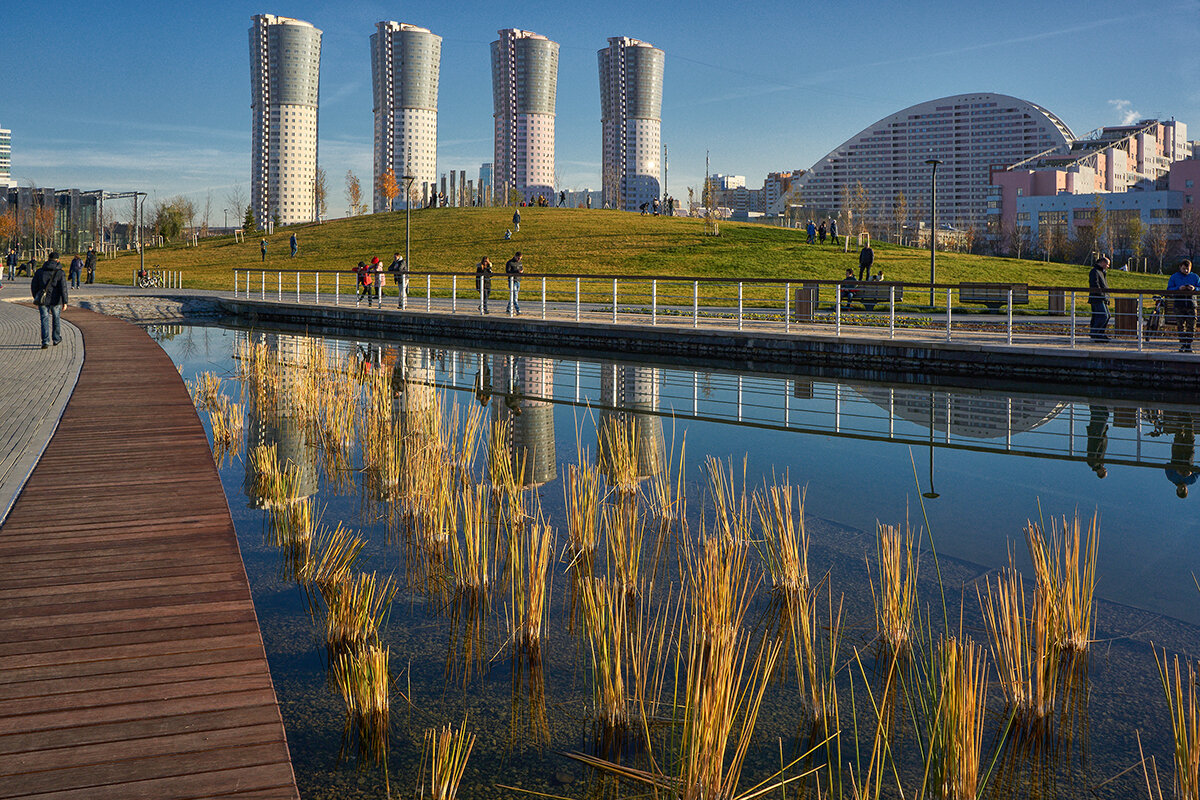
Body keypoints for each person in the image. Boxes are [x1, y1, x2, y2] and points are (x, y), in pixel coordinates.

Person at [31, 252, 68, 349]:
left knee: (44, 319)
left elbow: (34, 285)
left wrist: (36, 296)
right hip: (56, 300)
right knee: (56, 319)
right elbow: (63, 288)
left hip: (43, 300)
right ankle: (56, 339)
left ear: (48, 259)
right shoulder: (60, 272)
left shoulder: (40, 271)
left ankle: (45, 341)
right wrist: (65, 302)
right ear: (58, 260)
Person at [1167, 259, 1199, 352]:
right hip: (1179, 304)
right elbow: (1169, 289)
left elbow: (1199, 287)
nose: (1186, 271)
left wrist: (1194, 289)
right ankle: (1182, 344)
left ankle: (1189, 344)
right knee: (1180, 325)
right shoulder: (1174, 277)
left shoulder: (1195, 277)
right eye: (1184, 269)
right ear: (1180, 267)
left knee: (1191, 325)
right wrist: (1178, 289)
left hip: (1191, 304)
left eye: (1187, 269)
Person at [1164, 410, 1197, 498]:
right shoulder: (1191, 480)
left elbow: (1167, 466)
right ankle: (1188, 414)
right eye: (1184, 490)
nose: (1181, 488)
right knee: (1190, 433)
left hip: (1177, 453)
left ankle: (1181, 414)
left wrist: (1176, 470)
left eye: (1180, 490)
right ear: (1186, 489)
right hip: (1188, 453)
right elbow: (1198, 470)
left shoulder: (1171, 478)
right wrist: (1190, 472)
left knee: (1178, 433)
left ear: (1177, 489)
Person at [1088, 255, 1111, 341]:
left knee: (1107, 316)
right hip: (1097, 298)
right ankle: (1095, 333)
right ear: (1102, 263)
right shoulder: (1095, 271)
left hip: (1102, 298)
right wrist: (1102, 295)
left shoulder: (1102, 272)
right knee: (1103, 316)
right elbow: (1095, 284)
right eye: (1107, 264)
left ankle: (1100, 333)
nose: (1108, 266)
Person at [1085, 404, 1109, 479]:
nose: (1105, 469)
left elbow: (1093, 449)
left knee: (1101, 417)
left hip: (1096, 435)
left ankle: (1093, 401)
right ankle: (1097, 401)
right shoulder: (1100, 463)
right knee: (1104, 415)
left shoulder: (1093, 463)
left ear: (1100, 473)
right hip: (1099, 436)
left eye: (1104, 471)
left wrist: (1099, 438)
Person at [505, 251, 523, 316]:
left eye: (520, 258)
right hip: (512, 280)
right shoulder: (510, 263)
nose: (519, 259)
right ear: (515, 256)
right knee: (515, 295)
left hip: (518, 280)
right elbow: (507, 271)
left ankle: (508, 308)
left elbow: (521, 269)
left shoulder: (520, 263)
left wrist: (521, 272)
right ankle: (518, 309)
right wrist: (516, 271)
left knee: (514, 295)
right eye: (518, 258)